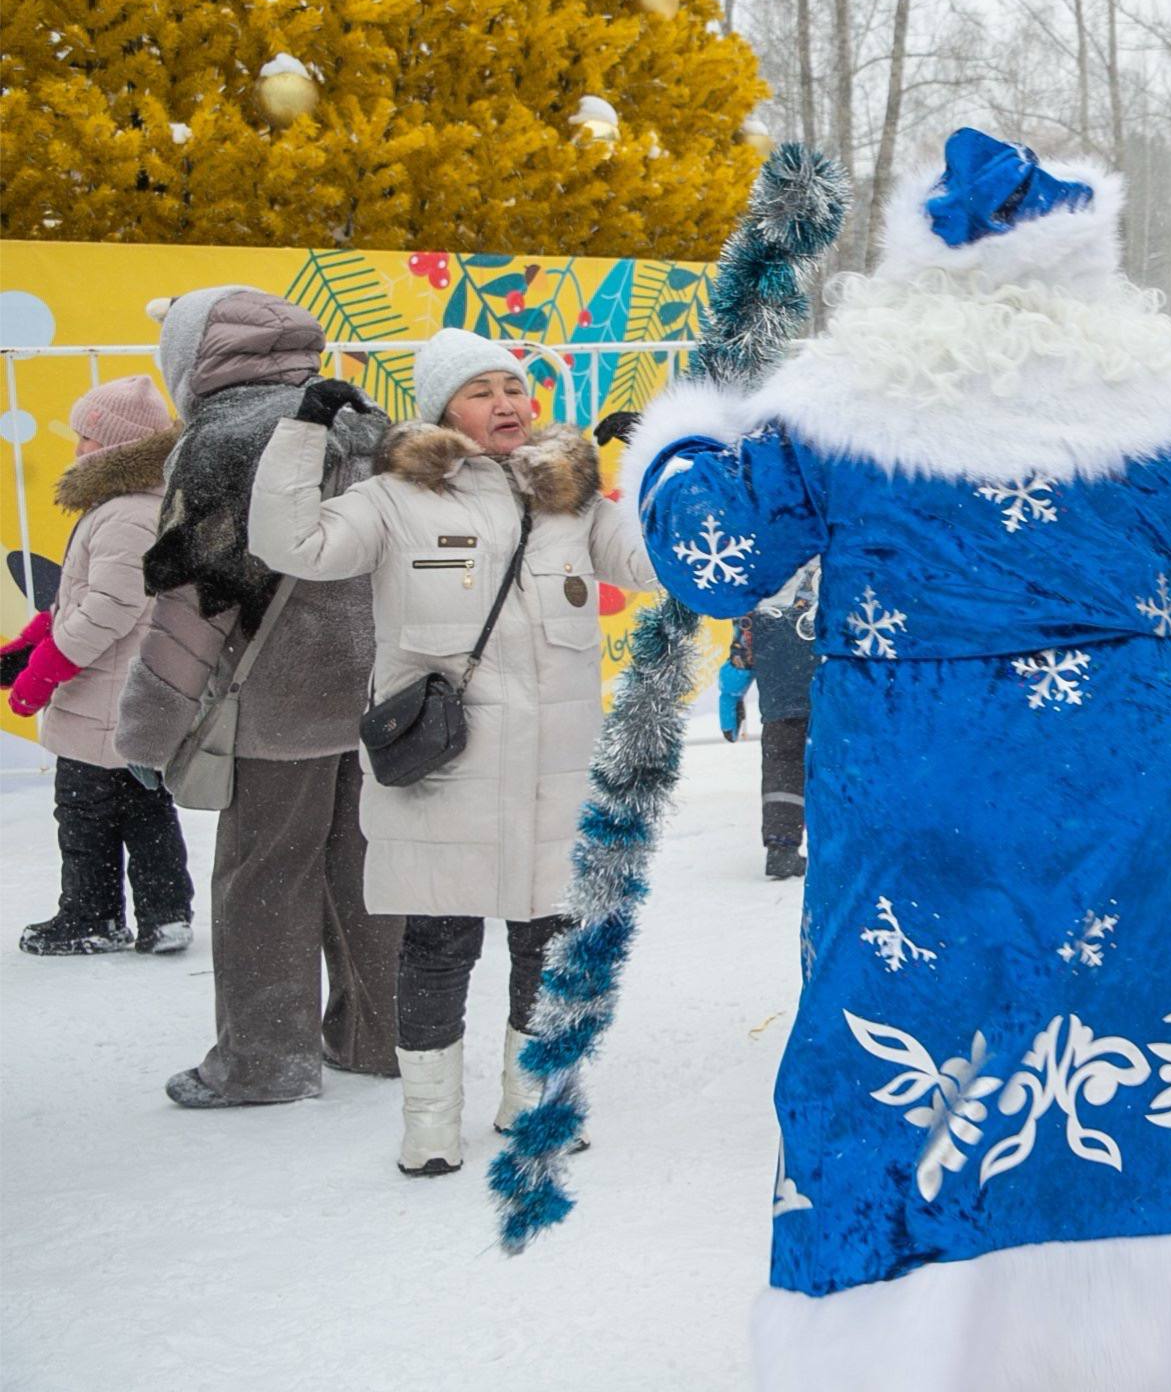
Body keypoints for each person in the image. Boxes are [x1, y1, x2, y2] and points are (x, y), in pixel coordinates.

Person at [618, 128, 1171, 1389]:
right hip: (1118, 805)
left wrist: (682, 440)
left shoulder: (838, 411)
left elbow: (709, 552)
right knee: (1104, 1061)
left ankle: (873, 1345)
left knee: (882, 1059)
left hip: (909, 801)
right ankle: (1094, 1351)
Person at [244, 328, 660, 1175]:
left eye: (513, 385)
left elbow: (658, 565)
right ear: (442, 410)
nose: (506, 402)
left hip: (554, 773)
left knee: (547, 938)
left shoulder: (571, 499)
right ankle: (430, 1125)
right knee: (438, 944)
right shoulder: (393, 497)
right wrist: (301, 435)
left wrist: (656, 462)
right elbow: (293, 546)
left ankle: (530, 1098)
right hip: (447, 773)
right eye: (481, 390)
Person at [114, 286, 401, 1109]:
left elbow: (197, 601)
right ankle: (379, 1038)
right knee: (366, 873)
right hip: (380, 691)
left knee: (264, 877)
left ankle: (264, 1061)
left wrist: (147, 728)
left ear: (192, 355)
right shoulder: (362, 420)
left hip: (275, 698)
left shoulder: (219, 442)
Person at [6, 377, 193, 956]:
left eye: (87, 436)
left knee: (86, 815)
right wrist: (28, 645)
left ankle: (92, 917)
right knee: (144, 807)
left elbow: (110, 609)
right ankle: (165, 915)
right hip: (127, 697)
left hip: (102, 699)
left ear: (115, 448)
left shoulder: (125, 516)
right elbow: (76, 599)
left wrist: (43, 672)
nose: (76, 446)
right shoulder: (130, 508)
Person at [747, 563, 821, 880]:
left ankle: (782, 847)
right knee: (833, 764)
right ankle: (838, 841)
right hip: (823, 681)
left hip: (778, 684)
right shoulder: (830, 551)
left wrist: (734, 681)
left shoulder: (764, 562)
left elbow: (744, 630)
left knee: (782, 765)